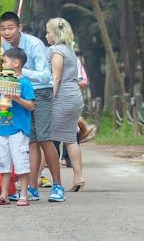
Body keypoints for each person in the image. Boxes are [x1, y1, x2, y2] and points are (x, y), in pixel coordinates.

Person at [0, 11, 63, 202]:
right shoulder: (3, 46)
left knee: (44, 138)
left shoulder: (34, 44)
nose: (7, 32)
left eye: (10, 28)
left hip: (40, 92)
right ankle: (32, 188)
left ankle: (58, 186)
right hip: (17, 93)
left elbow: (45, 76)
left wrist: (18, 70)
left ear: (19, 27)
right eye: (2, 29)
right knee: (30, 141)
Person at [0, 48, 35, 207]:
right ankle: (4, 195)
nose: (2, 64)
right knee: (2, 164)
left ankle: (23, 194)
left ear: (15, 63)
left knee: (21, 162)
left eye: (4, 61)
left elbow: (31, 106)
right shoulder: (3, 81)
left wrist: (17, 98)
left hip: (18, 130)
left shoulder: (24, 83)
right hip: (3, 129)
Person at [47, 18, 86, 192]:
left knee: (47, 139)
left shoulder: (57, 51)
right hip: (75, 95)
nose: (46, 35)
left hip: (62, 97)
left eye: (48, 32)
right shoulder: (70, 50)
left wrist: (50, 99)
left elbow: (56, 77)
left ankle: (34, 179)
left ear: (55, 34)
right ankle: (79, 177)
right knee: (70, 138)